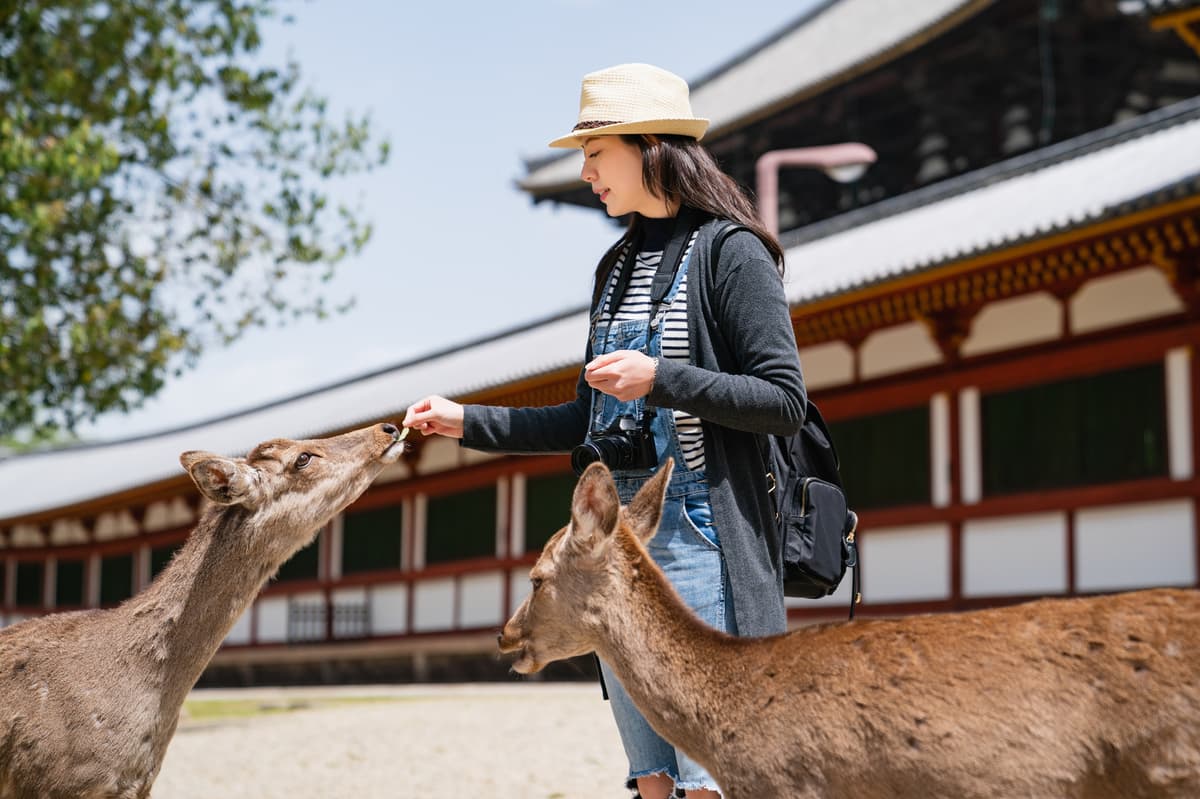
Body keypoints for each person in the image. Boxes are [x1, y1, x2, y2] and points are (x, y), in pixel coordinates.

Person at [403, 62, 806, 799]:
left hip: (703, 546)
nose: (584, 171)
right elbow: (582, 421)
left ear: (650, 145)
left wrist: (663, 378)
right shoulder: (614, 267)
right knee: (650, 778)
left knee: (710, 779)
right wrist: (466, 421)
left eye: (595, 152)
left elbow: (784, 398)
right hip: (609, 562)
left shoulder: (732, 252)